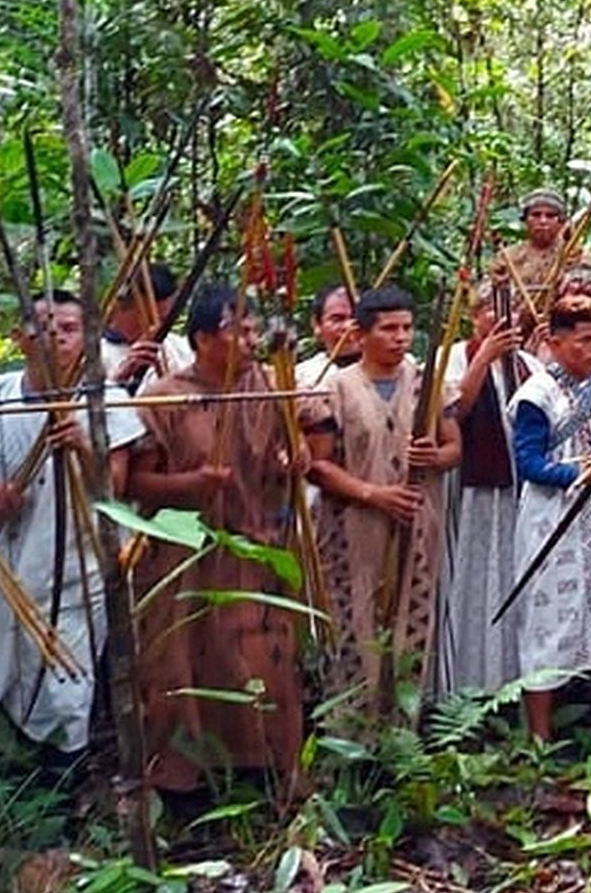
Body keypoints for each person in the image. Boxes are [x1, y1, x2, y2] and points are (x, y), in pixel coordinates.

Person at [0, 292, 145, 760]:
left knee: (66, 672)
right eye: (44, 326)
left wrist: (82, 444)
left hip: (77, 565)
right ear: (19, 337)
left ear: (88, 339)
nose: (56, 337)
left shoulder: (106, 401)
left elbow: (116, 487)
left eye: (69, 328)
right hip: (3, 557)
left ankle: (61, 767)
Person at [126, 286, 304, 794]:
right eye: (237, 331)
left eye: (253, 330)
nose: (250, 341)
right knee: (182, 663)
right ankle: (180, 781)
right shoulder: (165, 398)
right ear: (204, 339)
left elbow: (297, 456)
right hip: (187, 557)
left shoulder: (272, 386)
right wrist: (191, 484)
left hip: (257, 547)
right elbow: (135, 484)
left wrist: (292, 465)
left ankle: (267, 770)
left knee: (261, 658)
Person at [305, 286, 461, 719]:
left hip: (415, 520)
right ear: (360, 334)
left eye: (407, 328)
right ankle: (353, 734)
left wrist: (435, 456)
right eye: (389, 328)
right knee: (356, 623)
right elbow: (317, 466)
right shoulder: (334, 390)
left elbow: (453, 450)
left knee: (410, 623)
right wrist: (374, 494)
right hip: (353, 526)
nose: (401, 338)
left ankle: (400, 735)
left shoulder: (429, 384)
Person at [508, 294, 591, 740]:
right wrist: (575, 471)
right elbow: (527, 462)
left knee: (587, 615)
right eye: (584, 340)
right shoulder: (537, 395)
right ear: (555, 341)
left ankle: (579, 723)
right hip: (552, 521)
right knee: (548, 621)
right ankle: (539, 737)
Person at [438, 285, 539, 695]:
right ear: (474, 316)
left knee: (508, 576)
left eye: (514, 312)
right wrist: (485, 357)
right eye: (493, 312)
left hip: (516, 490)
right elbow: (454, 409)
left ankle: (507, 680)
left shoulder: (528, 364)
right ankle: (460, 683)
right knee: (468, 577)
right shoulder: (456, 358)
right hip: (469, 491)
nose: (505, 320)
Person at [100, 264, 192, 391]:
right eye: (148, 320)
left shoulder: (181, 349)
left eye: (163, 320)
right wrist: (119, 378)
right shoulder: (93, 355)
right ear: (120, 308)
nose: (155, 328)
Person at [295, 285, 361, 390]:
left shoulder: (389, 372)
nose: (349, 326)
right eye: (337, 319)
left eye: (355, 318)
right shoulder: (301, 378)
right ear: (317, 325)